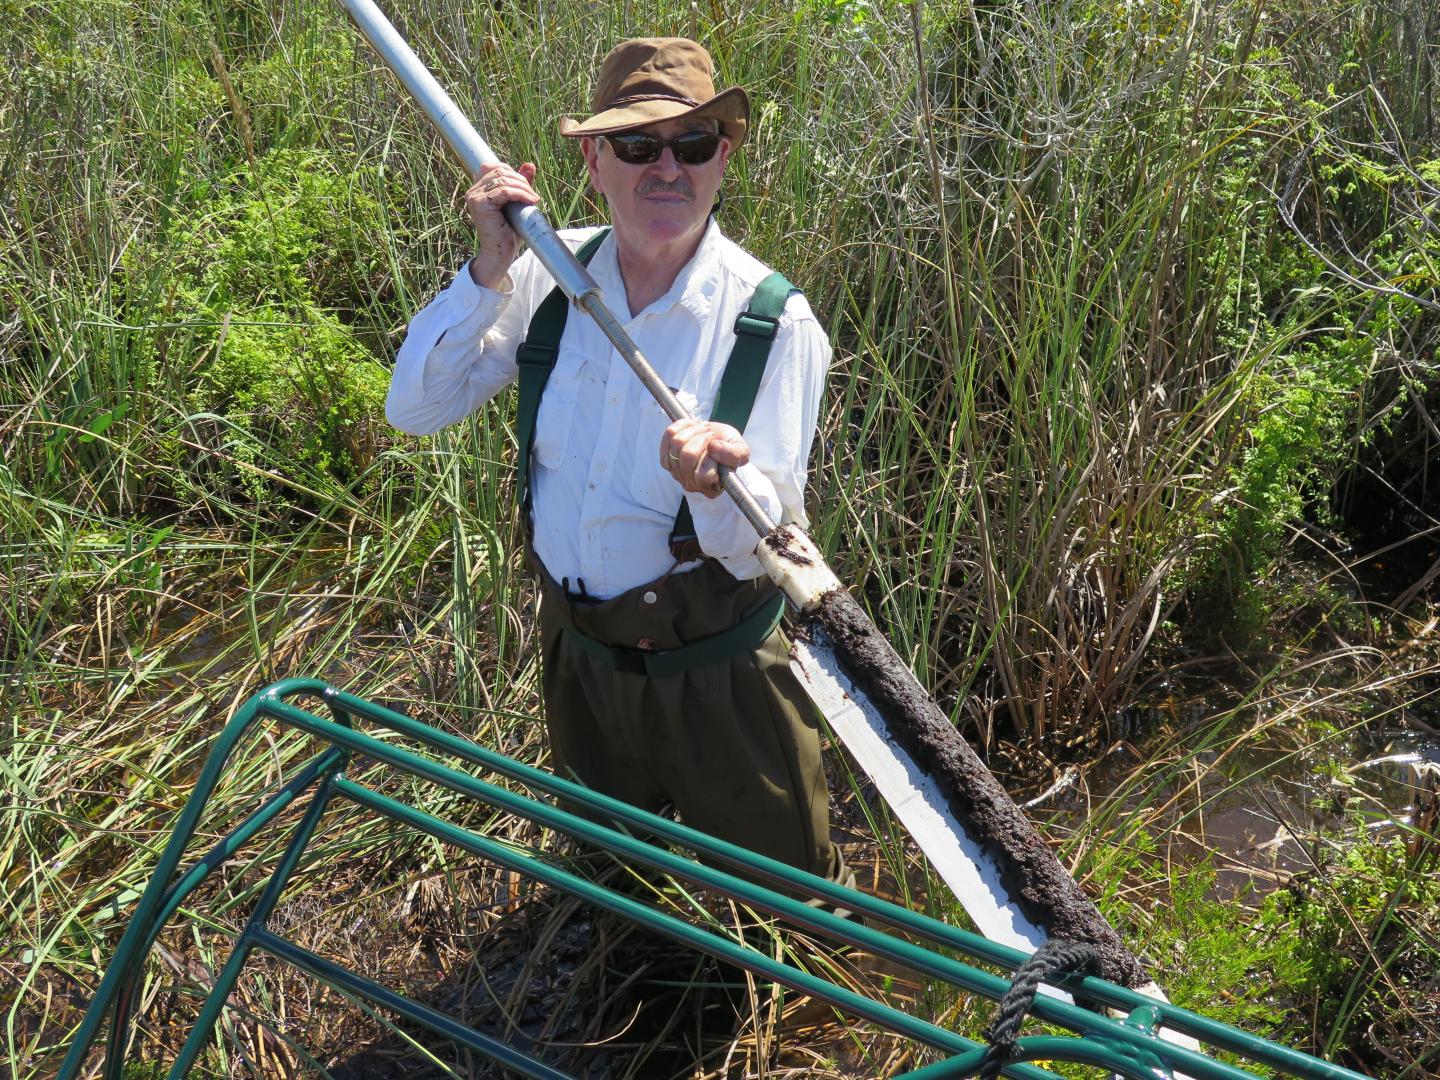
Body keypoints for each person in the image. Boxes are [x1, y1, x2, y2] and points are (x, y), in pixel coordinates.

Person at [386, 38, 847, 886]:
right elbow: (416, 410)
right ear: (594, 162)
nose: (667, 168)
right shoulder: (543, 274)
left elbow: (763, 548)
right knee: (611, 881)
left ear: (722, 158)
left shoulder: (774, 324)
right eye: (637, 146)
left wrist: (718, 484)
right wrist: (488, 269)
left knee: (789, 909)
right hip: (579, 655)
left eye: (693, 144)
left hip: (718, 674)